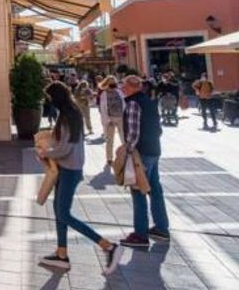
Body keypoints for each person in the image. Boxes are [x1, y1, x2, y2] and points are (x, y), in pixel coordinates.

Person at [37, 81, 122, 274]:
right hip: (69, 168)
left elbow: (65, 148)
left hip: (69, 170)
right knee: (59, 210)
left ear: (56, 98)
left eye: (50, 97)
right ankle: (61, 254)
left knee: (63, 214)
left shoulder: (68, 116)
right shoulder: (72, 112)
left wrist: (45, 152)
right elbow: (65, 143)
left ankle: (108, 246)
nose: (49, 101)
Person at [119, 75, 170, 248]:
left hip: (141, 153)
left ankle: (140, 234)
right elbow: (158, 128)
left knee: (138, 190)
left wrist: (127, 151)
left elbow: (133, 133)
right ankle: (161, 228)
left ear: (131, 87)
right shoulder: (149, 101)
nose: (122, 88)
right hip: (154, 149)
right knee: (155, 189)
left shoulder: (133, 103)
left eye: (124, 86)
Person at [98, 76, 125, 166]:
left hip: (121, 117)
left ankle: (126, 155)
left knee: (124, 138)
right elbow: (103, 109)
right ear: (106, 83)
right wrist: (107, 120)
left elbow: (124, 103)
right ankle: (109, 158)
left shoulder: (119, 91)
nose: (113, 83)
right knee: (110, 140)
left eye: (114, 82)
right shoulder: (104, 94)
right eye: (110, 82)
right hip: (110, 119)